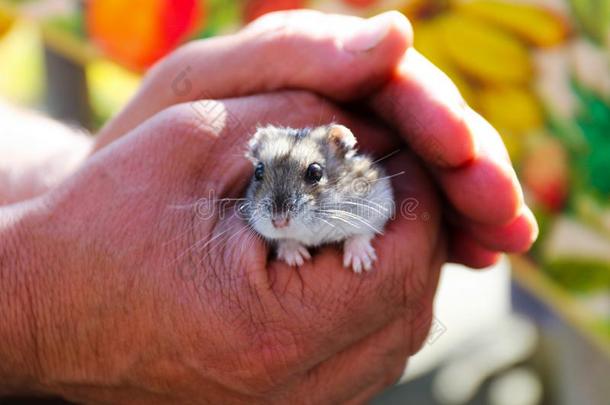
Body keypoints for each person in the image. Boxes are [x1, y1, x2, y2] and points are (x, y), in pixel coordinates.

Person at [0, 11, 537, 404]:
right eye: (263, 180)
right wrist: (38, 311)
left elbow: (381, 202)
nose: (278, 211)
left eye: (308, 178)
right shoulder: (265, 208)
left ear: (337, 158)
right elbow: (271, 215)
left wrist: (357, 237)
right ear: (254, 167)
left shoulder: (360, 181)